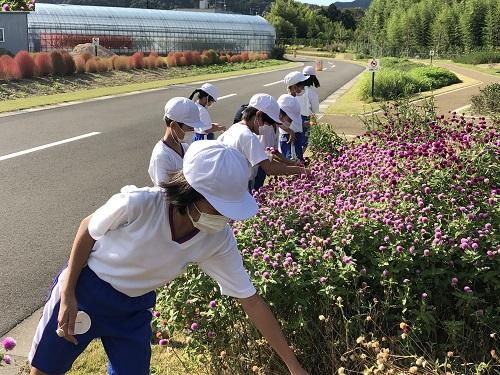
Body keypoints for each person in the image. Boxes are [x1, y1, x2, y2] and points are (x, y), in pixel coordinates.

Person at [28, 140, 309, 375]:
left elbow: (251, 300)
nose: (225, 217)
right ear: (191, 191)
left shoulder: (217, 238)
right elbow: (87, 230)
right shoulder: (139, 204)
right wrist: (68, 295)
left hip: (134, 308)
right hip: (87, 290)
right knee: (45, 370)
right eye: (220, 207)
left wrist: (294, 366)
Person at [218, 93, 307, 190]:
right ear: (259, 115)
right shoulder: (248, 136)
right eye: (268, 123)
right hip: (239, 186)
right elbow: (269, 168)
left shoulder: (234, 129)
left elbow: (267, 155)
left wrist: (289, 163)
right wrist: (301, 170)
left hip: (227, 183)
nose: (269, 127)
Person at [148, 97, 210, 186]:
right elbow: (165, 193)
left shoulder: (185, 147)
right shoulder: (161, 157)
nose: (193, 131)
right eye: (190, 128)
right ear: (174, 126)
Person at [253, 94, 304, 191]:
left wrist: (290, 131)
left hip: (263, 163)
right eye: (288, 118)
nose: (288, 122)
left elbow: (273, 151)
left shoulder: (274, 124)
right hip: (258, 167)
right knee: (255, 188)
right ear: (280, 113)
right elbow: (268, 155)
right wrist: (289, 164)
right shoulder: (266, 129)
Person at [279, 71, 308, 161]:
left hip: (293, 136)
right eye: (302, 85)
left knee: (296, 162)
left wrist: (302, 125)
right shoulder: (288, 100)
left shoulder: (292, 99)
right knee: (294, 163)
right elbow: (279, 119)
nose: (303, 88)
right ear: (295, 87)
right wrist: (290, 132)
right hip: (290, 138)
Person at [297, 66, 320, 152]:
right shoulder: (312, 93)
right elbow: (315, 110)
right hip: (305, 119)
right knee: (304, 142)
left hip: (293, 118)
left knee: (295, 141)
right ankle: (299, 160)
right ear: (313, 78)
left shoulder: (296, 90)